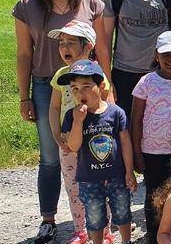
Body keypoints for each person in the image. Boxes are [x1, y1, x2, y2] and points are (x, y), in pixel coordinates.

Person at [14, 0, 110, 244]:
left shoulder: (90, 2)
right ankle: (48, 219)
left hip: (88, 87)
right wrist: (24, 95)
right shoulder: (27, 5)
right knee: (52, 155)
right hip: (46, 86)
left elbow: (103, 49)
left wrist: (109, 86)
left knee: (92, 153)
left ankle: (97, 222)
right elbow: (23, 54)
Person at [47, 21, 114, 244]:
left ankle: (105, 232)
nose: (64, 47)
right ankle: (80, 230)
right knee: (73, 187)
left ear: (88, 47)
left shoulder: (98, 75)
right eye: (61, 43)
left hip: (95, 143)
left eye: (71, 42)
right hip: (68, 144)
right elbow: (54, 107)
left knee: (99, 187)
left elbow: (108, 105)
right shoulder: (61, 75)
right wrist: (57, 135)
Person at [60, 60, 136, 244]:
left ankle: (126, 241)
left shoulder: (116, 112)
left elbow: (125, 143)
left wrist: (129, 171)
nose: (80, 93)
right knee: (94, 216)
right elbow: (73, 146)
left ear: (101, 85)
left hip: (116, 175)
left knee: (123, 210)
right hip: (89, 177)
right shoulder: (72, 115)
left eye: (86, 86)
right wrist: (78, 121)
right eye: (75, 89)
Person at [130, 30, 171, 244]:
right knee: (154, 196)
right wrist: (137, 154)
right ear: (157, 55)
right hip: (152, 151)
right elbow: (136, 120)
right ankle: (155, 236)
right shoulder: (146, 82)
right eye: (166, 54)